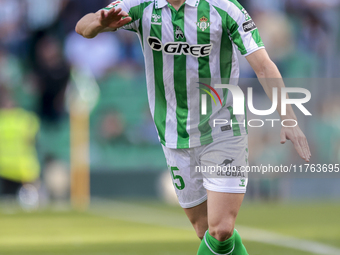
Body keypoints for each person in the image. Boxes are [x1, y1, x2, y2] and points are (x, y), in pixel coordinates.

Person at [75, 0, 311, 254]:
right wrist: (98, 24)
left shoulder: (224, 8)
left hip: (222, 128)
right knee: (205, 231)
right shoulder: (140, 6)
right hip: (174, 133)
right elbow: (82, 26)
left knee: (221, 229)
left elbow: (264, 66)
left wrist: (288, 119)